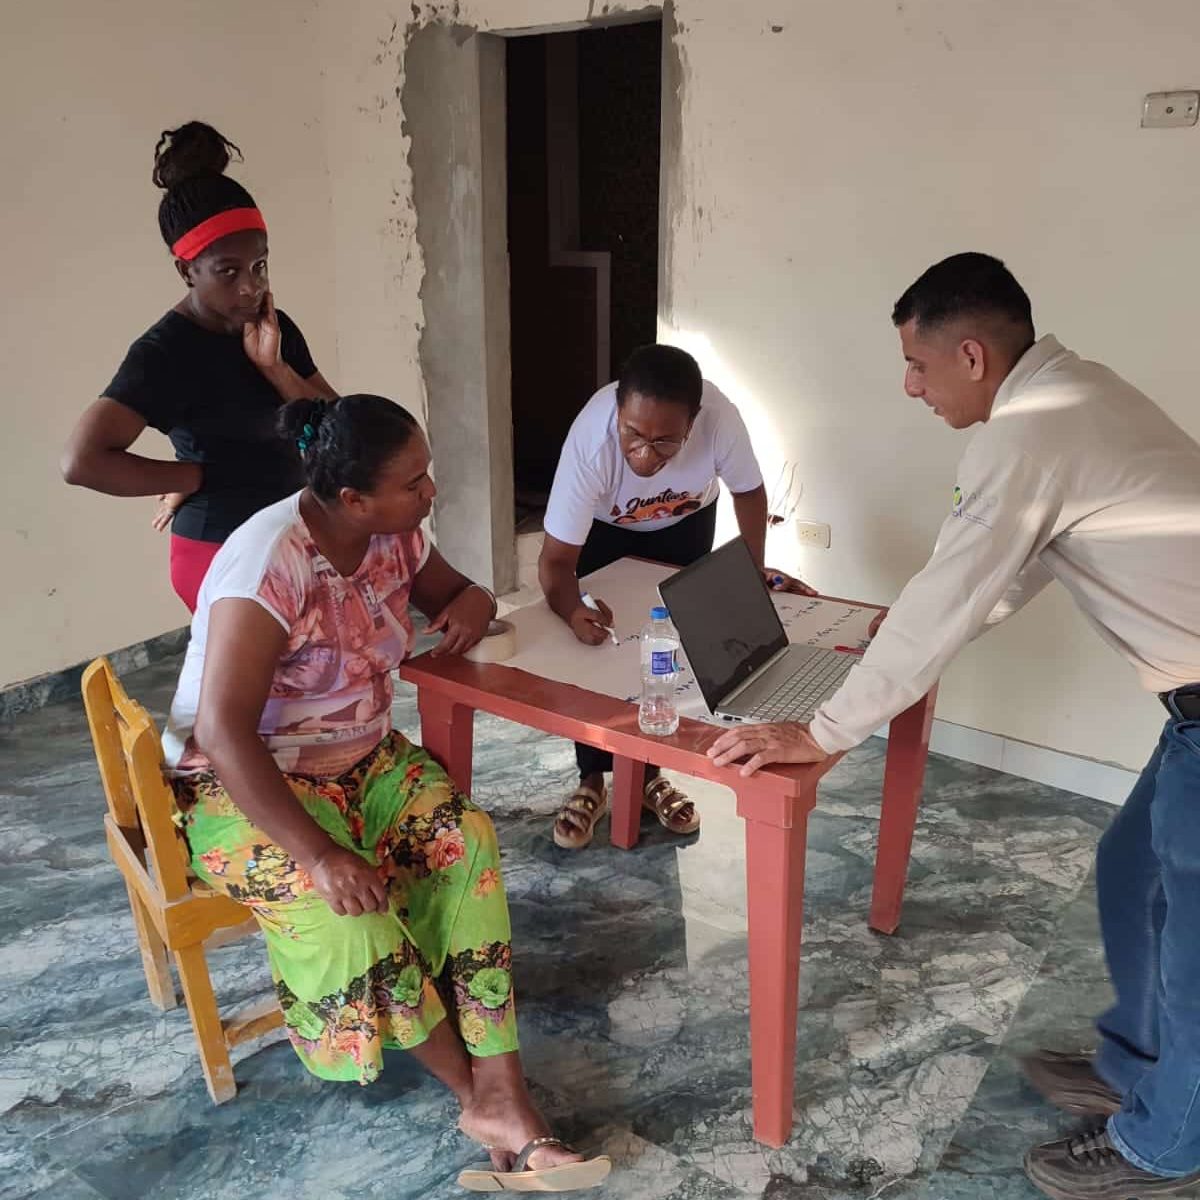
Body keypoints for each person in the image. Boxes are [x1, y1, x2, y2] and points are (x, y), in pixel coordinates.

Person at [707, 253, 1200, 1200]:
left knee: (1196, 935)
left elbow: (962, 583)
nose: (910, 386)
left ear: (971, 355)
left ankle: (1166, 1144)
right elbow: (1001, 573)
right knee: (1135, 872)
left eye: (918, 366)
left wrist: (827, 728)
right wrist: (909, 633)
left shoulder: (1031, 433)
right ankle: (1134, 1072)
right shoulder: (1071, 397)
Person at [162, 394, 609, 1191]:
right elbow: (226, 735)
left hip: (366, 761)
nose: (430, 493)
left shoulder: (391, 533)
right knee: (351, 920)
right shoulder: (269, 562)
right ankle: (481, 1097)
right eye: (414, 482)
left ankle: (503, 1088)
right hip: (248, 784)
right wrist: (322, 854)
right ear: (350, 499)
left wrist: (469, 607)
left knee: (466, 838)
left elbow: (459, 593)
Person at [539, 344, 813, 850]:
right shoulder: (590, 441)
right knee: (602, 653)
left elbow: (749, 492)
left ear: (693, 425)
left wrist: (751, 574)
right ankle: (592, 778)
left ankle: (647, 778)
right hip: (606, 530)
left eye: (666, 443)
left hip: (684, 524)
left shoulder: (720, 420)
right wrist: (572, 608)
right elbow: (555, 562)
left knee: (665, 646)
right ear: (617, 413)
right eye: (633, 434)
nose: (644, 455)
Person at [61, 121, 337, 612]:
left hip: (289, 530)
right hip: (220, 549)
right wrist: (191, 478)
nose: (250, 287)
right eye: (228, 272)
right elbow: (82, 461)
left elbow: (342, 428)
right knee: (271, 687)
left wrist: (275, 369)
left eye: (260, 266)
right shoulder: (165, 352)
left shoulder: (272, 327)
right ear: (186, 270)